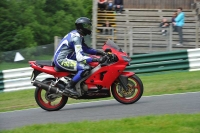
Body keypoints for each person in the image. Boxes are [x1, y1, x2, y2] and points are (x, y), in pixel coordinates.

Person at [54, 17, 106, 96]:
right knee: (85, 68)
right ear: (82, 27)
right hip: (61, 60)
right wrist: (96, 59)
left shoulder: (78, 35)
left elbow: (86, 49)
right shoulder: (76, 37)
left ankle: (79, 84)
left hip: (68, 56)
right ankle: (69, 87)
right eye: (87, 26)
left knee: (88, 62)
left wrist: (100, 53)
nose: (89, 28)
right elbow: (80, 57)